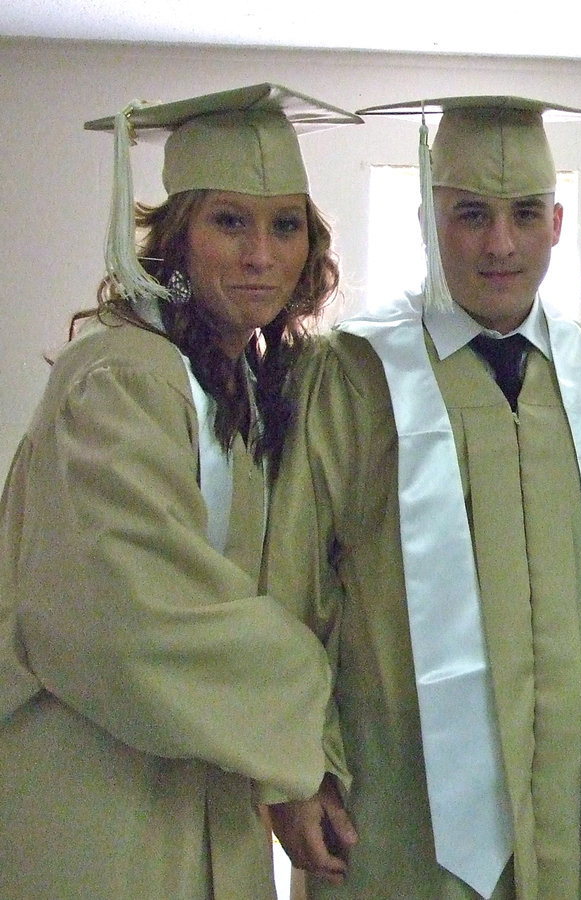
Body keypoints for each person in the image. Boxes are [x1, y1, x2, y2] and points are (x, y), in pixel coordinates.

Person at [0, 83, 359, 898]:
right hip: (96, 791)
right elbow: (130, 612)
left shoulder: (228, 380)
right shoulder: (122, 375)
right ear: (177, 237)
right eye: (229, 221)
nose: (261, 254)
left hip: (188, 782)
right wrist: (309, 701)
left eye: (285, 225)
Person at [265, 96, 581, 899]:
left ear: (556, 224)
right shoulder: (352, 371)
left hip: (559, 785)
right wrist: (298, 766)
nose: (500, 244)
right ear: (429, 220)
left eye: (525, 214)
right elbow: (291, 586)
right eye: (470, 214)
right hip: (393, 791)